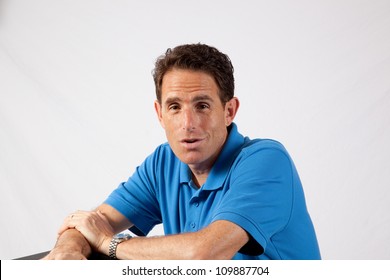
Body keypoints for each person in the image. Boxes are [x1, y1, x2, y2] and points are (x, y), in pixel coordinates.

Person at [44, 43, 321, 260]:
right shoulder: (163, 163)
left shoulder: (267, 161)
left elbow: (205, 254)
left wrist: (108, 243)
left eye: (202, 105)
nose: (188, 124)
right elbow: (96, 221)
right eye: (175, 107)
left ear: (229, 111)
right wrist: (69, 249)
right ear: (160, 114)